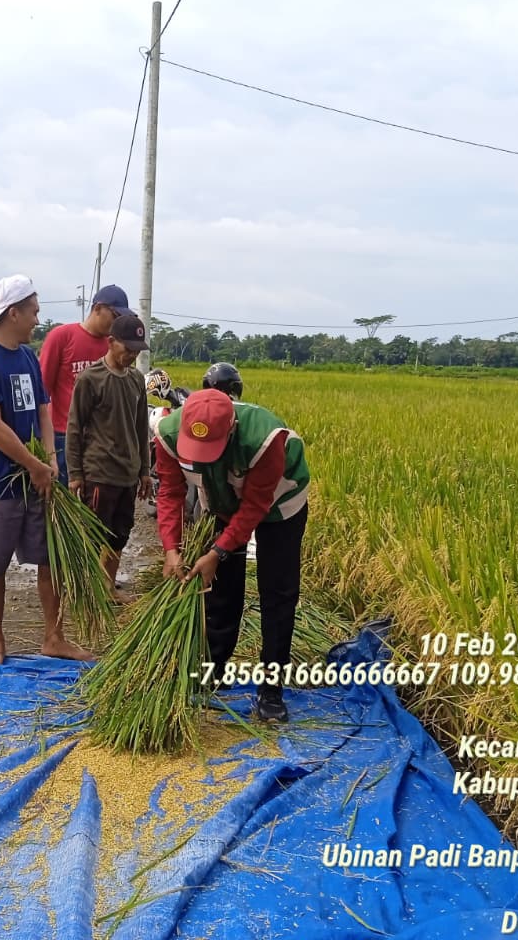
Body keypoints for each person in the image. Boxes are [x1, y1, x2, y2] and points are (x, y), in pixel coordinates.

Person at [0, 274, 93, 666]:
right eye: (33, 311)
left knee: (52, 557)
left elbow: (44, 409)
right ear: (13, 312)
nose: (38, 319)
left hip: (38, 477)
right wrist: (34, 465)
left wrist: (50, 459)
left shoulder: (27, 358)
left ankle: (54, 638)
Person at [154, 389, 309, 722]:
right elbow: (170, 491)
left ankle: (271, 690)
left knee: (277, 595)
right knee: (220, 593)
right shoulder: (168, 433)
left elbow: (255, 506)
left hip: (279, 506)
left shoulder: (266, 440)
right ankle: (213, 671)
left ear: (233, 428)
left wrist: (218, 551)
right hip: (221, 502)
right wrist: (171, 548)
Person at [65, 315, 153, 603]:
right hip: (99, 472)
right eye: (128, 348)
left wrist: (145, 470)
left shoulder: (137, 380)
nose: (132, 355)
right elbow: (75, 428)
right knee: (93, 536)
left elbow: (142, 427)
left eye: (137, 350)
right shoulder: (91, 379)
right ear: (111, 342)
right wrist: (75, 473)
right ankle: (86, 591)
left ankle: (107, 587)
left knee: (119, 535)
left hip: (128, 473)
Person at [38, 284, 130, 483]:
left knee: (95, 503)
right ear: (97, 309)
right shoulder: (62, 336)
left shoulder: (113, 346)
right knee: (62, 500)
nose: (116, 323)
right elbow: (41, 390)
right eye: (115, 316)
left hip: (101, 441)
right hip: (64, 435)